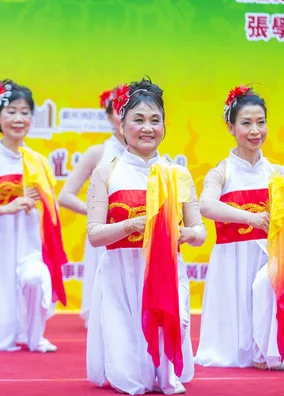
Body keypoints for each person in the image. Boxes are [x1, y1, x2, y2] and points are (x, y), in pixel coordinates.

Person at [86, 78, 206, 395]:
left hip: (165, 269)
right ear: (122, 125)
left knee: (177, 323)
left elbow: (200, 232)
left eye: (155, 120)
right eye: (138, 120)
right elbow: (95, 235)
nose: (147, 128)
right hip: (118, 271)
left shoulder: (177, 173)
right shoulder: (106, 172)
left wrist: (185, 233)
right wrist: (128, 226)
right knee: (132, 374)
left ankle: (168, 372)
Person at [195, 85, 284, 370]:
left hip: (269, 253)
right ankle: (247, 353)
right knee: (237, 309)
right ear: (231, 126)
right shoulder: (222, 171)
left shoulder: (278, 173)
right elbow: (206, 206)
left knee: (265, 287)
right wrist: (251, 219)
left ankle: (268, 352)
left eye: (261, 122)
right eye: (246, 123)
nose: (255, 130)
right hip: (232, 256)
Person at [0, 79, 67, 352]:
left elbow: (51, 211)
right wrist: (5, 208)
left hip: (30, 242)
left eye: (25, 112)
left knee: (35, 278)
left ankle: (36, 336)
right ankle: (4, 332)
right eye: (11, 112)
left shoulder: (38, 161)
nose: (18, 119)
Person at [57, 85, 126, 327]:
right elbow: (65, 196)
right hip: (105, 233)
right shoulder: (98, 152)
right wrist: (98, 213)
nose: (126, 115)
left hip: (138, 232)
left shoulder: (151, 155)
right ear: (109, 116)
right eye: (120, 110)